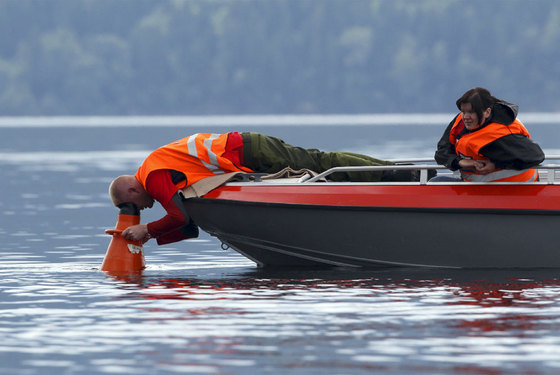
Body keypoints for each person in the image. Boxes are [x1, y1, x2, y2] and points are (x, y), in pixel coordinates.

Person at [109, 132, 428, 245]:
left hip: (248, 150)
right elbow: (190, 228)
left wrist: (147, 231)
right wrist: (150, 233)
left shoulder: (153, 177)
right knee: (320, 162)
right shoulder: (152, 166)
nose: (139, 212)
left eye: (133, 208)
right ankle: (397, 172)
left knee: (320, 163)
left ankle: (400, 173)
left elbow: (178, 217)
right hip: (244, 148)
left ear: (133, 193)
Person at [434, 87, 544, 182]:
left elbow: (536, 155)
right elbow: (441, 153)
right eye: (464, 111)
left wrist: (495, 164)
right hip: (477, 188)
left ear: (487, 112)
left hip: (518, 189)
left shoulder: (502, 132)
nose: (466, 117)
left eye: (471, 112)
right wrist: (460, 162)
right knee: (434, 181)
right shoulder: (461, 121)